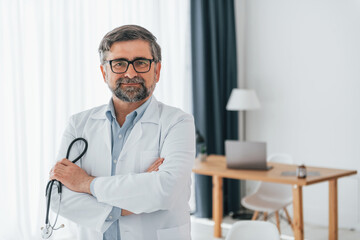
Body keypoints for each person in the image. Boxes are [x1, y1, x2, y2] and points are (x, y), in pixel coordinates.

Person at [49, 25, 195, 240]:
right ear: (104, 72)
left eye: (141, 63)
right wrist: (132, 200)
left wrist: (85, 183)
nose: (130, 73)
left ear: (157, 71)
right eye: (119, 63)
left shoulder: (178, 122)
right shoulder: (78, 123)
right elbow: (56, 196)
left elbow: (166, 190)